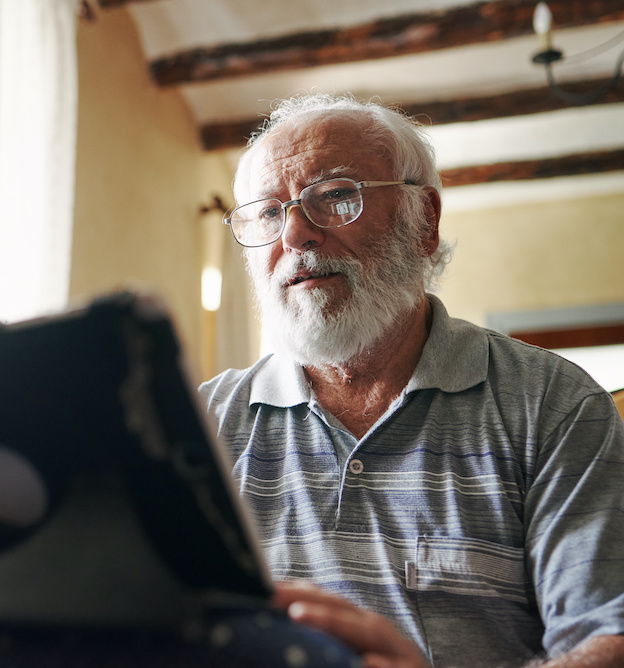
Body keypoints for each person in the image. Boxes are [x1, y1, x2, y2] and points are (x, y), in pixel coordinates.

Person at [199, 94, 624, 668]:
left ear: (424, 221)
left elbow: (606, 639)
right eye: (269, 213)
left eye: (335, 196)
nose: (295, 234)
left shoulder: (554, 404)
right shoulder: (200, 425)